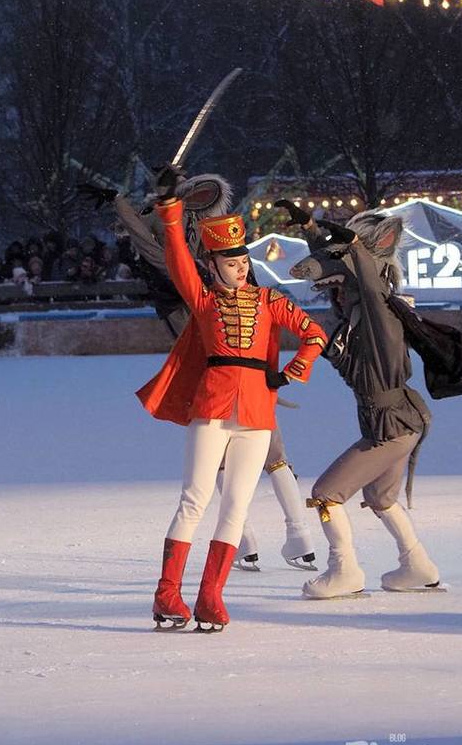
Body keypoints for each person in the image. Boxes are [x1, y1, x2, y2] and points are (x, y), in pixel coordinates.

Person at [81, 174, 319, 571]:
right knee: (249, 463)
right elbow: (157, 247)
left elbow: (156, 251)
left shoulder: (205, 278)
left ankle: (269, 539)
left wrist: (128, 205)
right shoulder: (219, 275)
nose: (240, 267)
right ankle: (284, 538)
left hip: (228, 381)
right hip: (233, 381)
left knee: (232, 468)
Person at [136, 168, 327, 631]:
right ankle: (167, 594)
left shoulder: (268, 301)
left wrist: (298, 367)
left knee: (237, 507)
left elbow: (314, 332)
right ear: (214, 266)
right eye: (230, 261)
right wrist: (170, 208)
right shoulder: (202, 301)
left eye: (243, 261)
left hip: (257, 413)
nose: (240, 267)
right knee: (195, 500)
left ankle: (209, 598)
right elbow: (178, 255)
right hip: (213, 406)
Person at [283, 200, 445, 599]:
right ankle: (417, 565)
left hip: (392, 425)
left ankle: (344, 570)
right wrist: (309, 228)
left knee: (326, 495)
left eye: (343, 287)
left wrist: (356, 246)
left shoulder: (380, 314)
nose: (336, 294)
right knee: (380, 497)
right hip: (398, 422)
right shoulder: (353, 323)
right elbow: (333, 263)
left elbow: (368, 283)